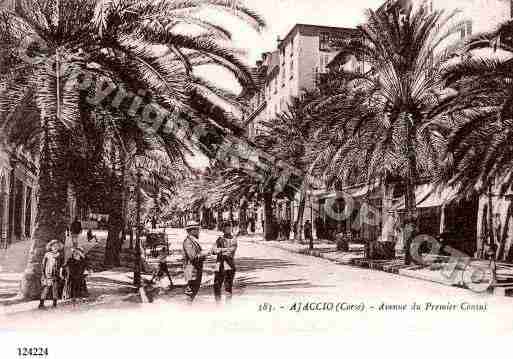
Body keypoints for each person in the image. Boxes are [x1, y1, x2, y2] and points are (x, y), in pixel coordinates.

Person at [182, 220, 213, 302]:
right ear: (191, 231)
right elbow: (193, 257)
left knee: (193, 290)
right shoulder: (188, 241)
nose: (198, 231)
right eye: (196, 229)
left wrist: (204, 255)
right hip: (192, 271)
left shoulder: (193, 241)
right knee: (191, 292)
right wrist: (205, 254)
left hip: (195, 270)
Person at [212, 222, 238, 302]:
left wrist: (220, 250)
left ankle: (228, 306)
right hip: (219, 266)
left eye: (229, 228)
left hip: (229, 266)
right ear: (223, 229)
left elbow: (230, 252)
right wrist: (222, 250)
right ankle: (218, 305)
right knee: (216, 286)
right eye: (225, 228)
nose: (227, 229)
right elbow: (213, 250)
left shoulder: (233, 240)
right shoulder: (219, 239)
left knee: (228, 287)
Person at [39, 240, 64, 309]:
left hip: (56, 274)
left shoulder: (59, 255)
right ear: (51, 247)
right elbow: (43, 265)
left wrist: (61, 273)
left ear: (59, 247)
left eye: (57, 246)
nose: (55, 247)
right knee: (46, 289)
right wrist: (43, 274)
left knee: (55, 289)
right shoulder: (47, 254)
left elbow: (61, 265)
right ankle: (41, 303)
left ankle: (54, 304)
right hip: (48, 274)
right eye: (54, 246)